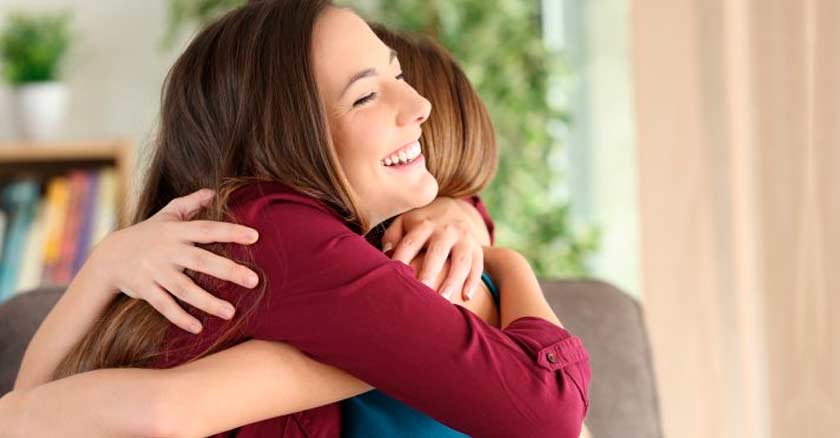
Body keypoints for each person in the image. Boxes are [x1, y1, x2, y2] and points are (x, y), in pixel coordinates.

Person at [0, 2, 590, 437]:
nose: (419, 109)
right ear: (289, 139)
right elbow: (551, 411)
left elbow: (37, 403)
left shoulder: (262, 228)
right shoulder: (282, 234)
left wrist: (101, 267)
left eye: (399, 76)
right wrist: (508, 266)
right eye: (365, 96)